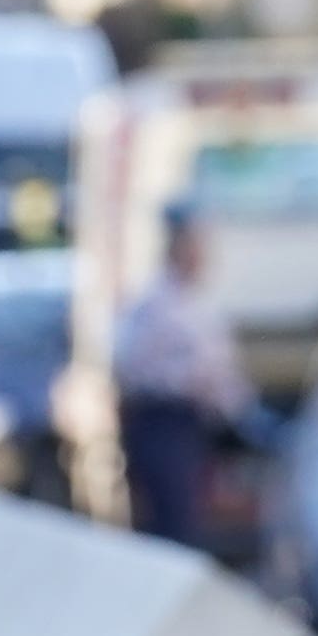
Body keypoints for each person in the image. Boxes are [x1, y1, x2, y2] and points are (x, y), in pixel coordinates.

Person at [107, 204, 252, 547]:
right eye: (194, 245)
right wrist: (191, 379)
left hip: (192, 424)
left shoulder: (194, 303)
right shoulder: (155, 303)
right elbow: (134, 366)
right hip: (163, 422)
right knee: (171, 527)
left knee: (188, 520)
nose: (202, 256)